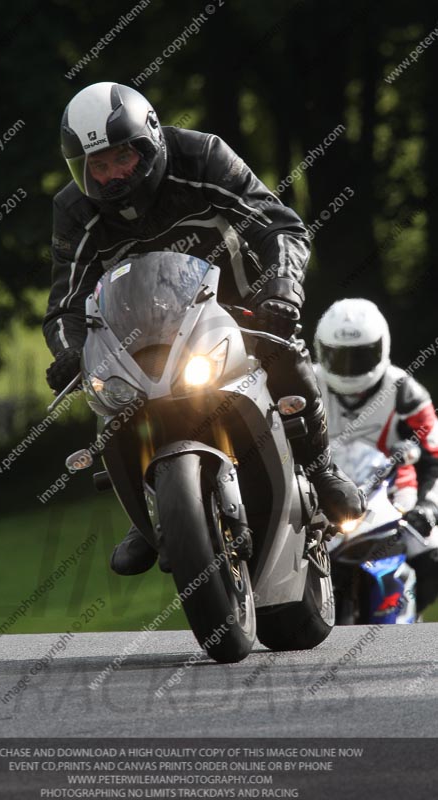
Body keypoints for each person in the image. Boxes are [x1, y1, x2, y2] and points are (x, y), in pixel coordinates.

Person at [43, 81, 364, 575]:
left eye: (121, 159)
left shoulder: (203, 157)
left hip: (241, 310)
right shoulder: (73, 211)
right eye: (98, 167)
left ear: (149, 143)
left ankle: (321, 468)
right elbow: (65, 303)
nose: (111, 177)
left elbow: (280, 225)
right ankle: (150, 508)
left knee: (285, 357)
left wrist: (281, 288)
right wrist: (70, 351)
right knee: (106, 388)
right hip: (142, 335)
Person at [314, 298, 438, 612]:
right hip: (319, 496)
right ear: (320, 349)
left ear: (382, 348)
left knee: (433, 553)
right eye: (339, 357)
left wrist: (428, 506)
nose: (349, 368)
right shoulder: (305, 385)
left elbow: (435, 457)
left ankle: (409, 621)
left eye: (360, 357)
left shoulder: (406, 393)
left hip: (395, 498)